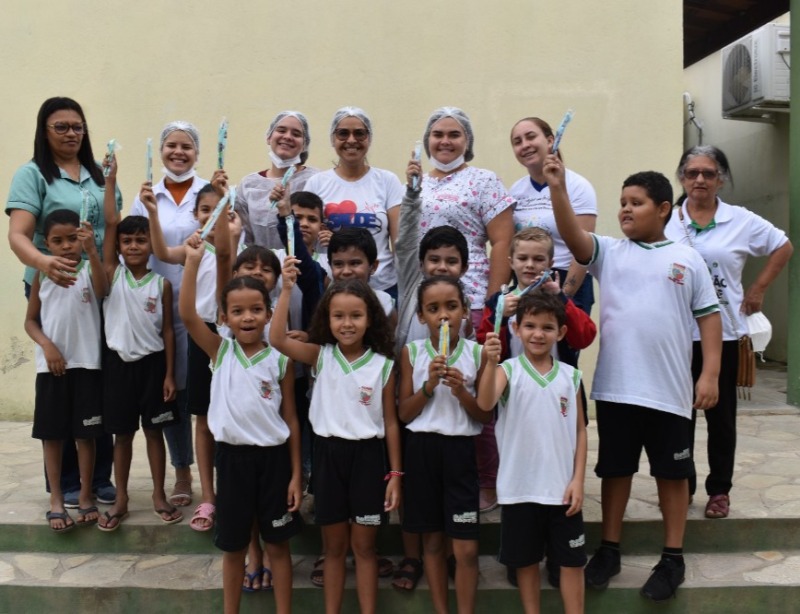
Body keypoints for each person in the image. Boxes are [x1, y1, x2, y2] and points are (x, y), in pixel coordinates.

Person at [549, 160, 722, 602]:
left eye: (636, 203)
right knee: (615, 470)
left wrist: (709, 373)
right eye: (622, 203)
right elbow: (572, 236)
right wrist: (558, 188)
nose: (625, 210)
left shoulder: (687, 260)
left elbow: (710, 319)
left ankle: (672, 556)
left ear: (663, 209)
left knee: (672, 473)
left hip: (669, 392)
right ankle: (609, 550)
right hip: (616, 389)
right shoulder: (609, 252)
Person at [665, 145, 793, 519]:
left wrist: (758, 289)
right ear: (682, 178)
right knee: (678, 416)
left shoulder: (741, 220)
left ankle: (719, 490)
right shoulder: (668, 221)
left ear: (721, 179)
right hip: (676, 335)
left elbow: (783, 247)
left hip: (723, 334)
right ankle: (681, 483)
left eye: (708, 173)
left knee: (722, 419)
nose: (700, 180)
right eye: (692, 173)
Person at [6, 96, 118, 508]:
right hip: (51, 286)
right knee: (59, 383)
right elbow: (19, 234)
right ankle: (65, 482)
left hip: (98, 286)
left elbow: (112, 227)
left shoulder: (98, 174)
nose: (71, 133)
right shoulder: (33, 174)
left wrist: (109, 275)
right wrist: (44, 264)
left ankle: (97, 478)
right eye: (61, 127)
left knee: (95, 381)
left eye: (77, 126)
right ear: (44, 131)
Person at [180, 242, 303, 614]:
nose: (247, 317)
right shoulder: (221, 352)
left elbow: (292, 419)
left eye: (255, 310)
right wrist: (191, 262)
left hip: (274, 464)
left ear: (268, 315)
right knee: (233, 548)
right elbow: (187, 315)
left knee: (278, 547)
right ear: (224, 316)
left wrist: (296, 475)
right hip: (232, 463)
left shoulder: (279, 360)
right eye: (237, 311)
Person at [269, 272, 401, 614]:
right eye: (338, 315)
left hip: (369, 461)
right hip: (328, 457)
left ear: (370, 318)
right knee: (333, 548)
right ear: (327, 319)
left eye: (356, 315)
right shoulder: (321, 355)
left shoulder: (383, 365)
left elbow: (389, 422)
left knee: (365, 548)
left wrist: (396, 474)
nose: (347, 323)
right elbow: (278, 340)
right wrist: (285, 290)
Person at [407, 106, 516, 514]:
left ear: (467, 140)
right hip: (427, 306)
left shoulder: (484, 181)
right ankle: (431, 477)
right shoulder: (415, 183)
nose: (445, 141)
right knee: (432, 387)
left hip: (467, 305)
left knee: (475, 390)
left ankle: (486, 478)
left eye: (454, 134)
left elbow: (501, 243)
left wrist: (491, 305)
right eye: (437, 134)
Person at [478, 292, 587, 614]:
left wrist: (578, 480)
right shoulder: (507, 372)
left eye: (547, 327)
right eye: (530, 326)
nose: (538, 333)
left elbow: (580, 430)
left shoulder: (572, 376)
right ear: (516, 328)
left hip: (563, 491)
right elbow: (484, 404)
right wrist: (489, 362)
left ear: (561, 333)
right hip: (519, 490)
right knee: (525, 563)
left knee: (571, 562)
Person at [141, 172, 237, 532]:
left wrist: (226, 207)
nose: (210, 217)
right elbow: (162, 252)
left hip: (228, 336)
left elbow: (225, 251)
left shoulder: (231, 247)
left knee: (229, 415)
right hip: (200, 335)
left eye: (219, 210)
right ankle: (209, 495)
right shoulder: (192, 248)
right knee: (203, 416)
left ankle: (230, 489)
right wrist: (152, 212)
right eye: (204, 210)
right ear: (196, 214)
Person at [97, 157, 182, 530]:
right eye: (127, 241)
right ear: (118, 247)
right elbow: (112, 223)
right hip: (118, 366)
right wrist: (112, 178)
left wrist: (168, 374)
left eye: (140, 239)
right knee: (122, 435)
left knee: (155, 432)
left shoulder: (160, 284)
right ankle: (121, 498)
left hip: (152, 367)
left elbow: (167, 331)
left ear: (151, 243)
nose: (132, 245)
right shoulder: (111, 274)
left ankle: (159, 494)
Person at [398, 276, 490, 613]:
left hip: (460, 453)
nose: (443, 317)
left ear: (465, 310)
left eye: (451, 307)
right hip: (421, 451)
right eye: (433, 309)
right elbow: (404, 413)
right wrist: (429, 385)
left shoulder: (476, 354)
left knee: (465, 549)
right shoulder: (412, 353)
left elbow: (483, 414)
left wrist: (461, 390)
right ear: (421, 316)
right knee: (433, 542)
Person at [131, 120, 209, 509]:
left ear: (198, 152)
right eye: (171, 146)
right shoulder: (147, 196)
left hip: (201, 308)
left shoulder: (210, 193)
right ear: (160, 151)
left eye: (187, 147)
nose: (178, 153)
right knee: (171, 393)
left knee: (202, 393)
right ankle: (182, 472)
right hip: (159, 311)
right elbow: (137, 246)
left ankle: (213, 474)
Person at [24, 209, 109, 531]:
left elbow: (102, 292)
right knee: (53, 436)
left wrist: (92, 252)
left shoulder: (89, 269)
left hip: (87, 364)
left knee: (86, 436)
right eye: (57, 241)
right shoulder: (41, 275)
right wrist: (47, 346)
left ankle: (86, 496)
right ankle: (57, 499)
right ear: (46, 244)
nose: (65, 246)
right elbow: (31, 320)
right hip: (52, 369)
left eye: (72, 239)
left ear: (82, 237)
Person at [304, 106, 403, 299]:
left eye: (359, 133)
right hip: (331, 286)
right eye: (343, 133)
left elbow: (398, 242)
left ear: (369, 138)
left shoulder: (387, 181)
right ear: (333, 139)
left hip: (382, 286)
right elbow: (306, 237)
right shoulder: (316, 183)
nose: (351, 140)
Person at [508, 117, 597, 320]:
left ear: (550, 140)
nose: (525, 145)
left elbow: (583, 252)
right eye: (517, 141)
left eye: (531, 137)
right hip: (527, 282)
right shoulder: (515, 191)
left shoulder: (578, 186)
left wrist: (563, 295)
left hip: (565, 280)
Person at [237, 110, 319, 250]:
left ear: (305, 144)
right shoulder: (248, 185)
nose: (287, 137)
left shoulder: (316, 180)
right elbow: (244, 238)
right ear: (269, 137)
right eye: (281, 130)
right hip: (261, 267)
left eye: (296, 134)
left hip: (303, 267)